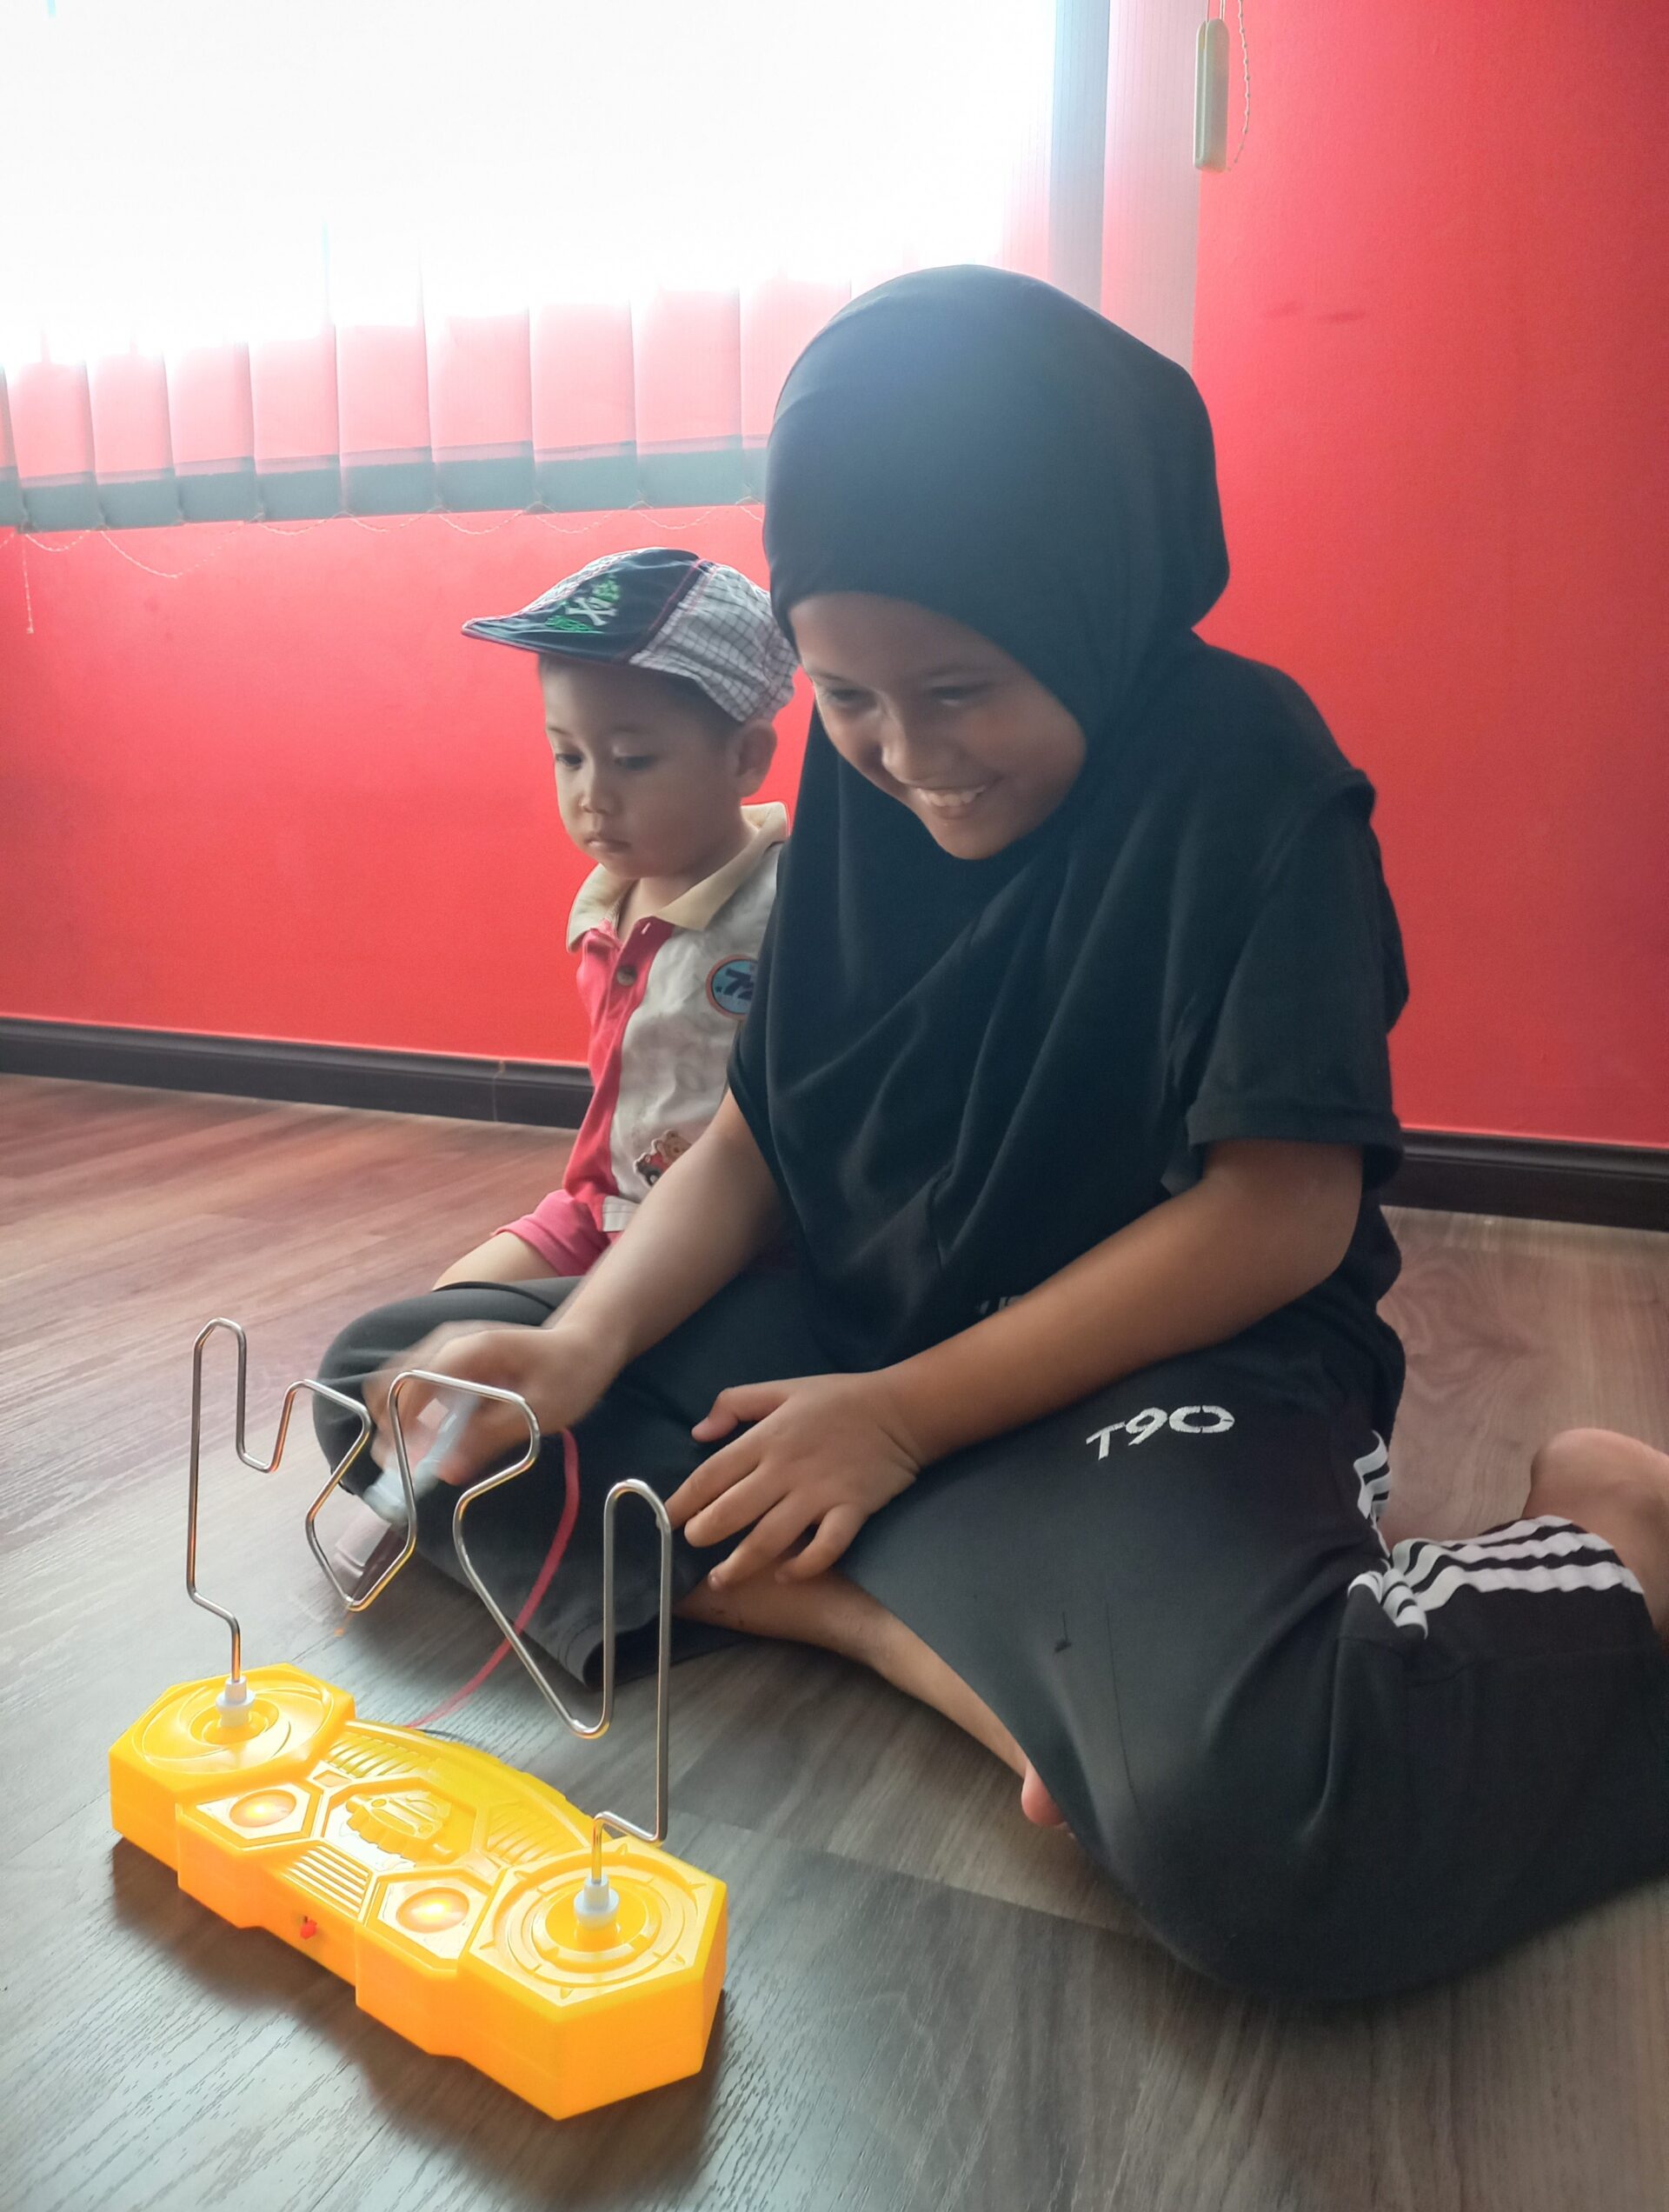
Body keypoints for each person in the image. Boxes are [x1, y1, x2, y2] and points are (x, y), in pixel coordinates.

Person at [317, 268, 1669, 1999]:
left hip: (1153, 1363)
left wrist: (899, 1423)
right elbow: (766, 1129)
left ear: (1088, 598)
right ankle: (921, 1634)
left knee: (1270, 1823)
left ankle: (1610, 1534)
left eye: (957, 689)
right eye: (848, 699)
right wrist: (579, 1343)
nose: (907, 756)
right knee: (402, 1389)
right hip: (868, 1332)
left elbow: (1278, 1216)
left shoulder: (1252, 775)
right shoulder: (863, 778)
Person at [438, 547, 796, 1289]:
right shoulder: (606, 902)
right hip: (598, 1209)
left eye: (631, 760)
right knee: (437, 1316)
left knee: (589, 1354)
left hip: (737, 1237)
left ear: (745, 758)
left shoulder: (790, 903)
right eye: (568, 757)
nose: (592, 796)